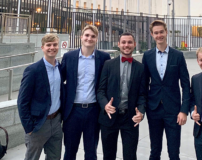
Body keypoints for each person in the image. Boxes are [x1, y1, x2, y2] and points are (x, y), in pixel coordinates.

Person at [142, 20, 190, 160]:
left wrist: (184, 110)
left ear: (166, 32)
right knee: (154, 150)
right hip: (154, 109)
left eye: (161, 32)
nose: (159, 35)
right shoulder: (148, 56)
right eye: (156, 33)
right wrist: (143, 107)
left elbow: (186, 85)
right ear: (152, 34)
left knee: (174, 152)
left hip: (174, 110)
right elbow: (144, 84)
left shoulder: (178, 56)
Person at [60, 25, 110, 160]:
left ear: (96, 39)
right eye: (87, 35)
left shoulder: (104, 58)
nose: (89, 38)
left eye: (93, 36)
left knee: (91, 152)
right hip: (72, 112)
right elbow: (59, 81)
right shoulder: (69, 57)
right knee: (69, 151)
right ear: (81, 37)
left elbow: (108, 83)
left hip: (93, 111)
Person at [97, 32, 146, 160]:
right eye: (123, 42)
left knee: (130, 156)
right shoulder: (108, 64)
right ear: (118, 44)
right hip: (109, 117)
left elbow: (142, 94)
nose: (126, 45)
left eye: (129, 42)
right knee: (108, 156)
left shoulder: (141, 68)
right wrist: (105, 105)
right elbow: (100, 90)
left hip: (130, 118)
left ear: (134, 45)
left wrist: (141, 112)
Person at [17, 34, 64, 160]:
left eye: (54, 44)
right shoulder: (33, 70)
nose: (52, 48)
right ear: (42, 47)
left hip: (56, 122)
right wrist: (29, 128)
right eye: (48, 45)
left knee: (55, 157)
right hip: (38, 124)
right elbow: (22, 101)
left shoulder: (59, 68)